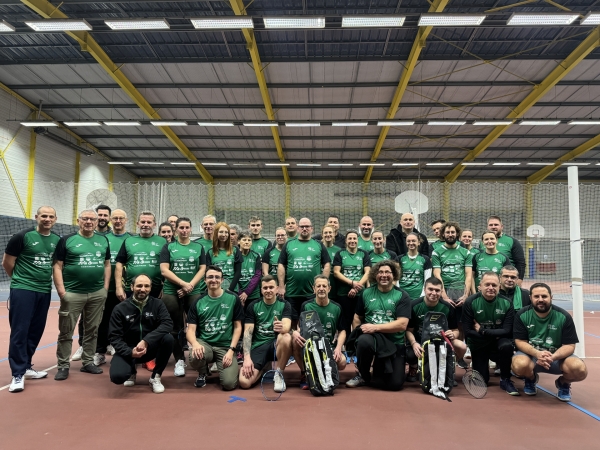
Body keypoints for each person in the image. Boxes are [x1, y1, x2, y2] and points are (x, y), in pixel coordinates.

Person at [3, 206, 60, 393]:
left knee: (36, 330)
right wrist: (20, 282)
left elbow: (55, 265)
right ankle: (17, 373)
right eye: (44, 216)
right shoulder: (22, 236)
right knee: (20, 330)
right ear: (36, 217)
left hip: (44, 291)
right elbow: (7, 262)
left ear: (55, 219)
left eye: (51, 216)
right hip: (23, 290)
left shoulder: (57, 240)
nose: (47, 219)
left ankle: (26, 365)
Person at [53, 209, 110, 380]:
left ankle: (88, 362)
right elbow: (57, 266)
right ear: (78, 221)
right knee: (66, 331)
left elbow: (107, 264)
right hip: (73, 293)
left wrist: (105, 288)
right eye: (85, 219)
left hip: (97, 293)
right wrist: (62, 291)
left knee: (92, 330)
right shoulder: (67, 240)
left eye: (92, 219)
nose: (89, 222)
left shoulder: (103, 239)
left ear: (96, 221)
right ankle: (63, 365)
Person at [511, 283, 587, 401]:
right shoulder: (522, 315)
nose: (540, 300)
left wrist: (553, 356)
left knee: (580, 370)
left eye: (544, 296)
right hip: (532, 356)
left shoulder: (563, 316)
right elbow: (520, 341)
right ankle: (530, 379)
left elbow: (570, 345)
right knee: (518, 365)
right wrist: (537, 354)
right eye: (536, 296)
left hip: (556, 357)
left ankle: (563, 383)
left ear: (551, 297)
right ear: (530, 298)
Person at [346, 260, 411, 391]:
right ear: (375, 275)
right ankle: (363, 375)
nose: (384, 275)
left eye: (388, 272)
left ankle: (379, 367)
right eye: (380, 272)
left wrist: (375, 327)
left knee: (395, 385)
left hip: (394, 341)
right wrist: (357, 334)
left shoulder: (402, 295)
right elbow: (357, 317)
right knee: (363, 341)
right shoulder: (366, 293)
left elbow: (402, 324)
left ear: (394, 275)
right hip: (373, 338)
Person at [108, 274, 174, 393]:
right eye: (139, 286)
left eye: (146, 286)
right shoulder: (120, 308)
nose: (142, 289)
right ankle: (131, 371)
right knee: (117, 377)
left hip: (150, 348)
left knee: (168, 339)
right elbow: (114, 337)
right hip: (129, 350)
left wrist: (146, 341)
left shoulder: (158, 304)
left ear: (150, 288)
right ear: (132, 287)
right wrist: (130, 352)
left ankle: (156, 377)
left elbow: (167, 324)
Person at [160, 217, 206, 377]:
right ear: (176, 230)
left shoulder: (198, 247)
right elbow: (164, 270)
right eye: (181, 227)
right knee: (175, 327)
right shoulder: (169, 247)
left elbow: (202, 269)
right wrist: (182, 284)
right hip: (171, 291)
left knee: (198, 324)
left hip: (193, 291)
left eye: (187, 227)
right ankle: (179, 360)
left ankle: (200, 358)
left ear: (191, 229)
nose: (184, 230)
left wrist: (189, 286)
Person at [186, 266, 243, 390]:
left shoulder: (233, 298)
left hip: (225, 346)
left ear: (222, 280)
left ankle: (222, 365)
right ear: (205, 280)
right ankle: (203, 372)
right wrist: (195, 344)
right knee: (194, 355)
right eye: (210, 277)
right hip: (205, 344)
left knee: (229, 384)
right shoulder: (198, 302)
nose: (214, 280)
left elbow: (238, 327)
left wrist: (231, 350)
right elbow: (190, 330)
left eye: (217, 277)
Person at [462, 272, 517, 395]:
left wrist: (483, 331)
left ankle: (505, 378)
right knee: (482, 381)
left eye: (494, 285)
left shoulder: (507, 303)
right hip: (479, 343)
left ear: (499, 287)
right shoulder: (470, 302)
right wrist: (495, 334)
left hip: (498, 343)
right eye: (487, 284)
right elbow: (468, 331)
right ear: (479, 286)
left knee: (507, 346)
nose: (491, 288)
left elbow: (508, 331)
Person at [405, 277, 466, 382]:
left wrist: (453, 334)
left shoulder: (448, 307)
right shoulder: (414, 305)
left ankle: (449, 367)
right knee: (409, 354)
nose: (434, 293)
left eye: (437, 290)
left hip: (441, 342)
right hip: (420, 341)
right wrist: (414, 343)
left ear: (441, 291)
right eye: (430, 289)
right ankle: (413, 366)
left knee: (462, 346)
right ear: (424, 289)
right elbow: (408, 331)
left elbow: (456, 330)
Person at [292, 275, 347, 389]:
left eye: (324, 286)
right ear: (314, 289)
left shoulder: (337, 308)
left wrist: (338, 348)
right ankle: (305, 373)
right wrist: (296, 332)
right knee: (295, 341)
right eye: (318, 286)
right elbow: (299, 328)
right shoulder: (306, 306)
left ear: (329, 289)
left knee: (342, 362)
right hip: (310, 348)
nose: (321, 288)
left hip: (328, 347)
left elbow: (342, 331)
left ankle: (329, 371)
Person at [239, 275, 292, 392]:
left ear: (277, 289)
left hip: (276, 345)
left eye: (271, 287)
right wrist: (247, 358)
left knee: (287, 337)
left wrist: (281, 327)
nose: (268, 290)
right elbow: (247, 334)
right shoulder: (253, 306)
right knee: (244, 382)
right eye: (265, 288)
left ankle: (279, 373)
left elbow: (287, 325)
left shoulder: (285, 304)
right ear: (261, 290)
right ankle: (262, 368)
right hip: (259, 345)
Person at [93, 209, 131, 367]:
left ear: (126, 220)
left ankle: (119, 347)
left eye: (121, 218)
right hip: (106, 288)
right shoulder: (103, 239)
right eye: (115, 218)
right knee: (103, 321)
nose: (118, 221)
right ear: (110, 220)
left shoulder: (131, 239)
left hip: (125, 288)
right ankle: (99, 352)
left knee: (125, 321)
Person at [277, 217, 331, 326]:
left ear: (312, 229)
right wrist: (281, 286)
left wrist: (322, 283)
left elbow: (327, 264)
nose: (304, 229)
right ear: (298, 228)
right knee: (292, 323)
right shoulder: (289, 244)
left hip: (312, 293)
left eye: (307, 227)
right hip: (292, 292)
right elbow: (281, 265)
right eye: (302, 227)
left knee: (310, 323)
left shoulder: (318, 245)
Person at [115, 211, 166, 300]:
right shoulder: (128, 241)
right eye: (143, 222)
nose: (145, 225)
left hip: (155, 289)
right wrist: (119, 288)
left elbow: (168, 266)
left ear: (154, 224)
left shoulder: (163, 242)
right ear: (137, 224)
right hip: (132, 289)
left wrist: (166, 288)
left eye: (149, 222)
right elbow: (119, 265)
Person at [431, 221, 473, 328]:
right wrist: (444, 295)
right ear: (443, 234)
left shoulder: (466, 252)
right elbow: (437, 275)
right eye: (448, 232)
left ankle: (461, 345)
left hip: (460, 291)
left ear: (457, 234)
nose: (450, 234)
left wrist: (465, 295)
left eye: (453, 232)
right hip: (443, 291)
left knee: (461, 323)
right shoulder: (436, 252)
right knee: (444, 322)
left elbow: (468, 275)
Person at [333, 230, 371, 335]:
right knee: (346, 321)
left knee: (359, 320)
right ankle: (346, 346)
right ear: (346, 240)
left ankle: (357, 344)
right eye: (350, 238)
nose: (352, 241)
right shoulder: (340, 253)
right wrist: (352, 283)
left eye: (354, 238)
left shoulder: (364, 254)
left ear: (357, 240)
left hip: (360, 293)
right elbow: (336, 272)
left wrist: (356, 287)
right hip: (343, 293)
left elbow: (368, 272)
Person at [481, 216, 526, 283]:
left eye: (496, 225)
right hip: (487, 281)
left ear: (502, 226)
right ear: (487, 227)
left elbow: (520, 263)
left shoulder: (512, 241)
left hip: (507, 282)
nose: (493, 227)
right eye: (491, 225)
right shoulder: (482, 243)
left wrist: (519, 281)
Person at [206, 222, 243, 291]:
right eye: (221, 232)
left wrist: (230, 289)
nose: (224, 234)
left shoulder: (235, 250)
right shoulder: (210, 252)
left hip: (232, 289)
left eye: (226, 232)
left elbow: (238, 272)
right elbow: (208, 273)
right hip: (215, 289)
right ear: (216, 233)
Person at [398, 232, 432, 300]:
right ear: (406, 243)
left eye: (413, 241)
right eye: (408, 241)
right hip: (402, 296)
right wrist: (399, 294)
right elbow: (396, 279)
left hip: (418, 296)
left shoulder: (425, 259)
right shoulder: (399, 258)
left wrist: (423, 295)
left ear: (419, 242)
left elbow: (427, 280)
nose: (411, 243)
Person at [238, 231, 262, 309]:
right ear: (238, 241)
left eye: (249, 240)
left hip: (253, 294)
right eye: (244, 240)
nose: (247, 242)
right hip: (238, 294)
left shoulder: (256, 256)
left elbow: (257, 275)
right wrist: (240, 293)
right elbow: (232, 276)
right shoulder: (233, 255)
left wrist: (246, 292)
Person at [321, 224, 341, 301]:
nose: (328, 234)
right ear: (322, 235)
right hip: (320, 285)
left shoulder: (339, 251)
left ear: (334, 235)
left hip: (335, 285)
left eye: (330, 232)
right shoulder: (318, 248)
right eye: (325, 233)